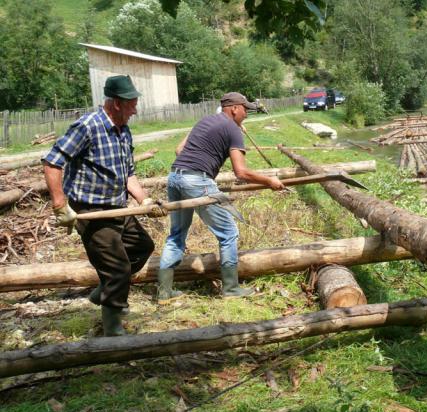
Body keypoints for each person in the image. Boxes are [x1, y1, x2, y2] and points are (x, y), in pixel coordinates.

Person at [42, 75, 164, 336]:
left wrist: (144, 200)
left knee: (143, 247)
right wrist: (60, 205)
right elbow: (52, 162)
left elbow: (128, 173)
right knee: (117, 268)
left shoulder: (123, 129)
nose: (135, 109)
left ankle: (105, 290)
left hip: (118, 206)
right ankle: (112, 327)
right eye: (132, 104)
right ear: (117, 103)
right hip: (92, 210)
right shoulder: (88, 126)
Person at [157, 92, 285, 303]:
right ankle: (231, 289)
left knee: (177, 234)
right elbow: (241, 172)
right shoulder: (232, 129)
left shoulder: (205, 121)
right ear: (234, 108)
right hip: (198, 181)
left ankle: (163, 292)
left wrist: (208, 154)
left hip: (175, 177)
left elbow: (179, 149)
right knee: (228, 232)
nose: (246, 114)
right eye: (245, 109)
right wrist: (269, 181)